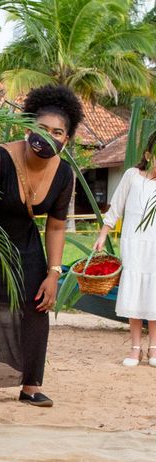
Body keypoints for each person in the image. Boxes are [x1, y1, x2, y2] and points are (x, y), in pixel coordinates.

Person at [0, 85, 84, 407]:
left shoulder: (65, 174)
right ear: (28, 128)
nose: (48, 136)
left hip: (24, 241)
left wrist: (53, 274)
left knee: (35, 305)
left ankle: (30, 385)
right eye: (42, 128)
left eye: (57, 132)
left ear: (66, 139)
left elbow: (55, 226)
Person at [93, 131, 156, 367]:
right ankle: (135, 347)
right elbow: (116, 206)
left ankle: (153, 348)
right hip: (134, 244)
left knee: (154, 296)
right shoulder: (132, 176)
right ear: (148, 155)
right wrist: (102, 234)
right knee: (135, 292)